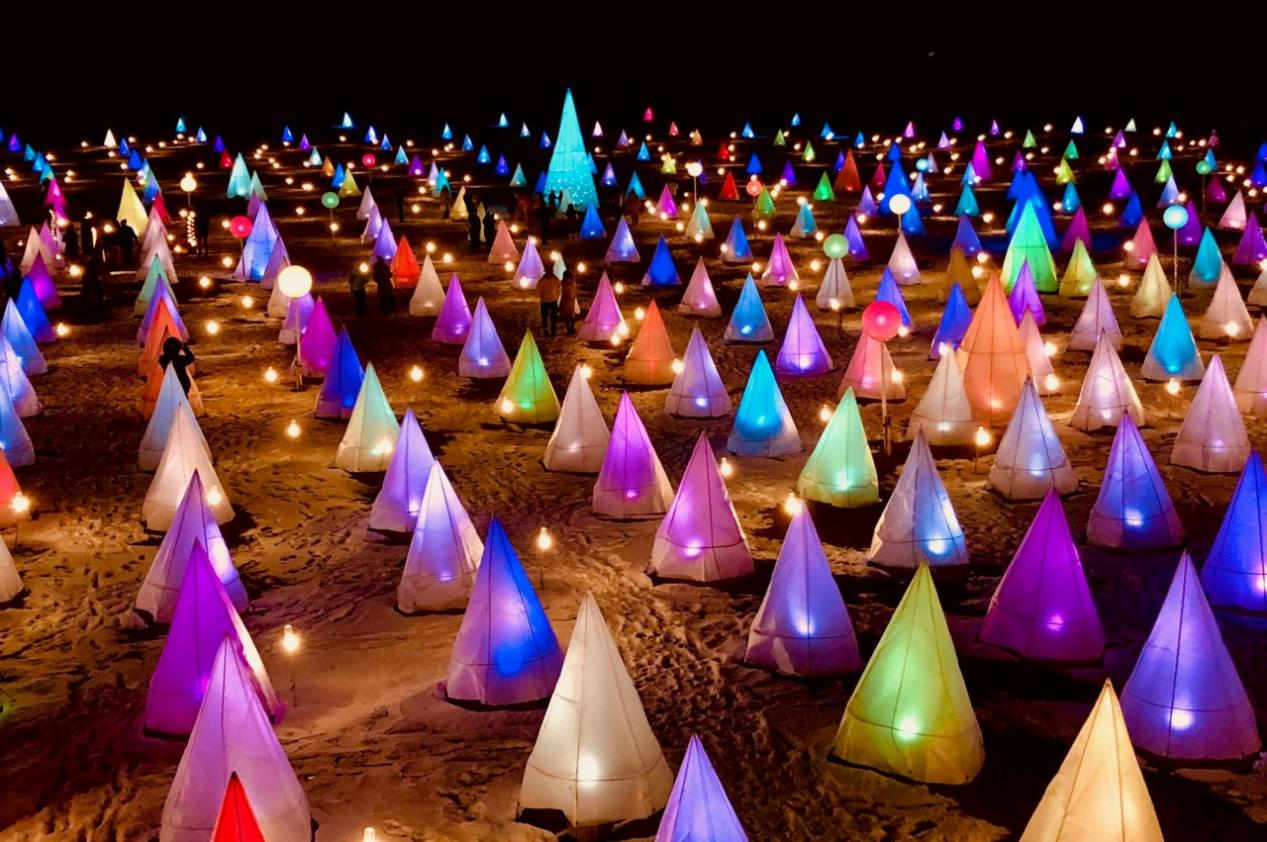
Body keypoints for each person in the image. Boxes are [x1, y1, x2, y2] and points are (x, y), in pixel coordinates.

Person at [537, 271, 560, 337]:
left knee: (544, 318)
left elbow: (537, 291)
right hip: (553, 301)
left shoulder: (542, 281)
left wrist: (541, 296)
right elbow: (558, 289)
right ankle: (553, 331)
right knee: (553, 317)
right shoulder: (555, 280)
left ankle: (546, 331)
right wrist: (556, 296)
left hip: (544, 301)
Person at [559, 270, 577, 336]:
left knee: (568, 316)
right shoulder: (571, 283)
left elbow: (569, 293)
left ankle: (571, 329)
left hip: (567, 301)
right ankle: (570, 329)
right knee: (569, 316)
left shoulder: (565, 284)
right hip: (569, 301)